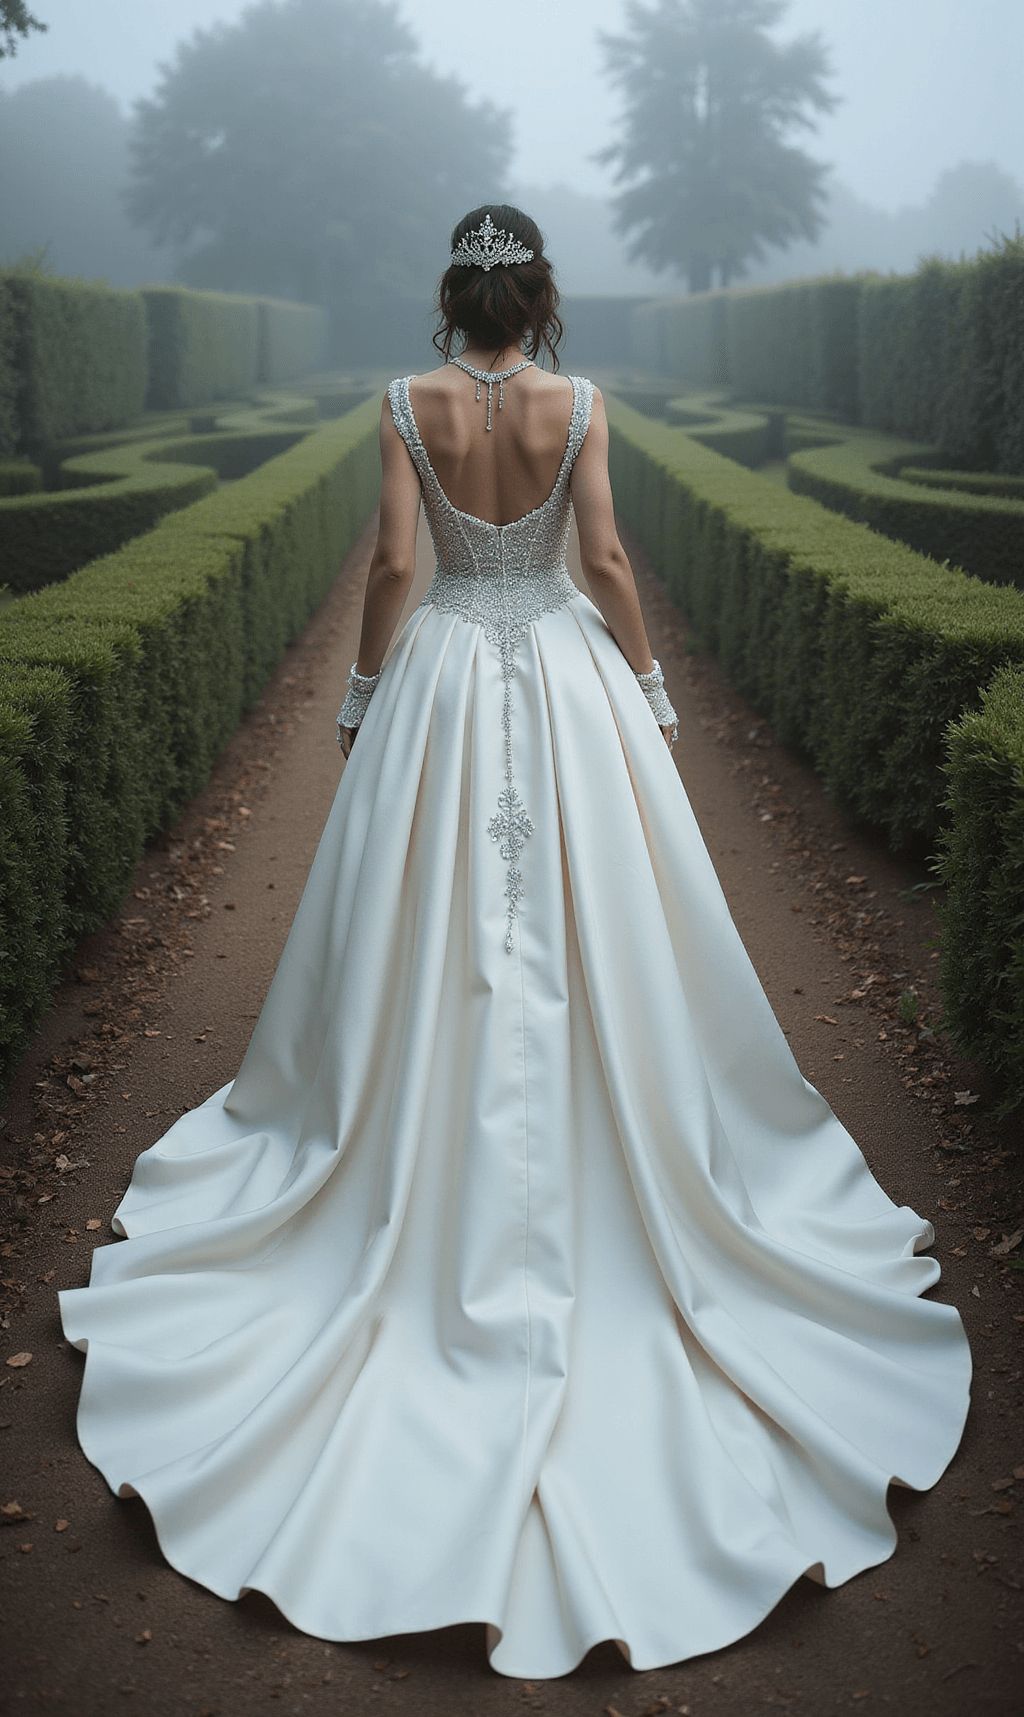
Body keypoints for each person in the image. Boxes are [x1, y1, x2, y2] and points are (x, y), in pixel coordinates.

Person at [61, 205, 971, 1681]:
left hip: (439, 684)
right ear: (538, 298)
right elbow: (605, 559)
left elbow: (390, 570)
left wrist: (363, 701)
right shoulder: (580, 402)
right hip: (559, 674)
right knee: (613, 919)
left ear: (450, 300)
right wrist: (653, 685)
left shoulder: (406, 404)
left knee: (413, 928)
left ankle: (396, 1154)